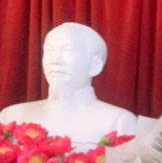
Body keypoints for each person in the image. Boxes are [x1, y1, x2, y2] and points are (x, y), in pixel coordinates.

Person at [0, 22, 138, 148]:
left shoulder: (119, 122)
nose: (55, 60)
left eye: (67, 51)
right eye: (49, 50)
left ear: (95, 65)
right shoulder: (12, 116)